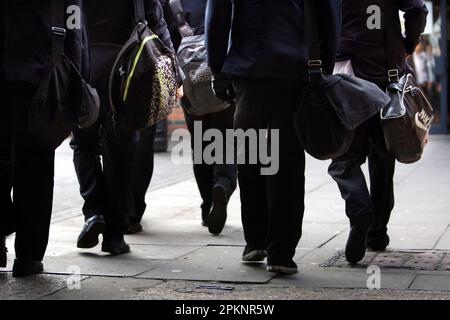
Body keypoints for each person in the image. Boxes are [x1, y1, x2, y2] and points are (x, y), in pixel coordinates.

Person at [205, 0, 341, 273]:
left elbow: (217, 12)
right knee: (287, 158)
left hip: (248, 65)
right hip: (295, 66)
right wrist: (325, 64)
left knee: (251, 152)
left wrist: (217, 68)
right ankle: (281, 252)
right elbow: (329, 12)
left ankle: (255, 240)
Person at [71, 0, 176, 253]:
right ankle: (115, 235)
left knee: (83, 142)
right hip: (127, 72)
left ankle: (94, 212)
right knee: (121, 150)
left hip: (84, 68)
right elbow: (156, 22)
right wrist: (174, 70)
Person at [328, 0, 428, 264]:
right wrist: (407, 44)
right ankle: (376, 232)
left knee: (344, 156)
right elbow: (417, 9)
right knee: (383, 155)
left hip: (346, 73)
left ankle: (359, 208)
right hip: (387, 73)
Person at [0, 0, 89, 276]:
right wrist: (78, 80)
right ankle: (28, 257)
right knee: (36, 169)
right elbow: (75, 26)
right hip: (41, 79)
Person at [161, 0, 237, 234]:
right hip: (221, 75)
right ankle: (223, 184)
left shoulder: (174, 2)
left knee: (201, 146)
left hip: (191, 82)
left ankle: (207, 206)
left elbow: (167, 43)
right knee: (226, 143)